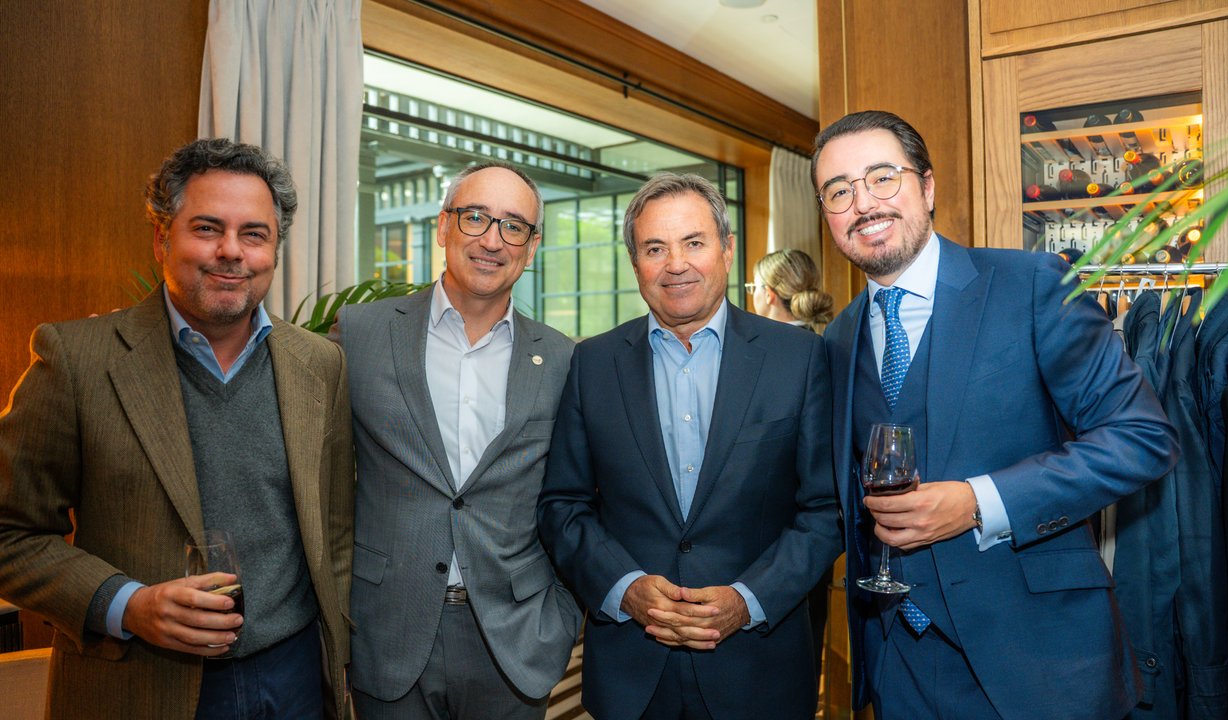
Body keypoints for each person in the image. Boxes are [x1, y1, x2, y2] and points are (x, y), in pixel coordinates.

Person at [813, 109, 1179, 720]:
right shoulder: (839, 338)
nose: (863, 203)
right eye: (839, 191)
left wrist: (979, 502)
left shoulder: (1032, 284)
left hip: (1037, 660)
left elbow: (1142, 437)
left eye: (883, 178)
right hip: (900, 661)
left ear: (927, 187)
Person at [0, 138, 355, 719]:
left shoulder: (320, 364)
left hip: (295, 680)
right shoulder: (77, 360)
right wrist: (127, 604)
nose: (231, 252)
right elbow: (9, 533)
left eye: (254, 234)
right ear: (163, 238)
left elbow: (334, 533)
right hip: (142, 684)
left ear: (274, 249)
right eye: (208, 228)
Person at [537, 172, 842, 720]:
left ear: (727, 251)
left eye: (694, 242)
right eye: (655, 248)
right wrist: (624, 588)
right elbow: (563, 505)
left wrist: (746, 601)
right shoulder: (592, 364)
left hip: (760, 669)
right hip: (633, 671)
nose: (675, 263)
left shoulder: (798, 358)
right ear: (636, 265)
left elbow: (824, 510)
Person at [334, 161, 581, 719]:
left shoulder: (563, 359)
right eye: (476, 218)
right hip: (388, 629)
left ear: (532, 245)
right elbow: (319, 481)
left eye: (514, 225)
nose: (493, 240)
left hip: (515, 638)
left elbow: (578, 495)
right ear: (443, 227)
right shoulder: (359, 334)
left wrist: (564, 615)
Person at [748, 247, 835, 688]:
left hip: (776, 538)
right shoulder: (829, 343)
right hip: (812, 545)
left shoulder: (786, 355)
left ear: (765, 294)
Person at [749, 248, 834, 333]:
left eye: (755, 287)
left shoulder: (766, 343)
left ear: (768, 294)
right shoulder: (813, 338)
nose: (752, 293)